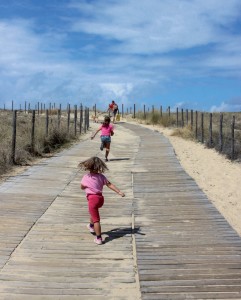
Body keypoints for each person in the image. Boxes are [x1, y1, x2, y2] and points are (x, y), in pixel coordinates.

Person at [79, 156, 125, 245]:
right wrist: (119, 192)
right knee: (94, 213)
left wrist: (86, 186)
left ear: (88, 167)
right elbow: (109, 184)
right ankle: (91, 226)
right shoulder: (101, 176)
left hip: (92, 199)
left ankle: (99, 238)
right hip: (100, 199)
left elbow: (81, 187)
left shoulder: (86, 177)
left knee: (96, 220)